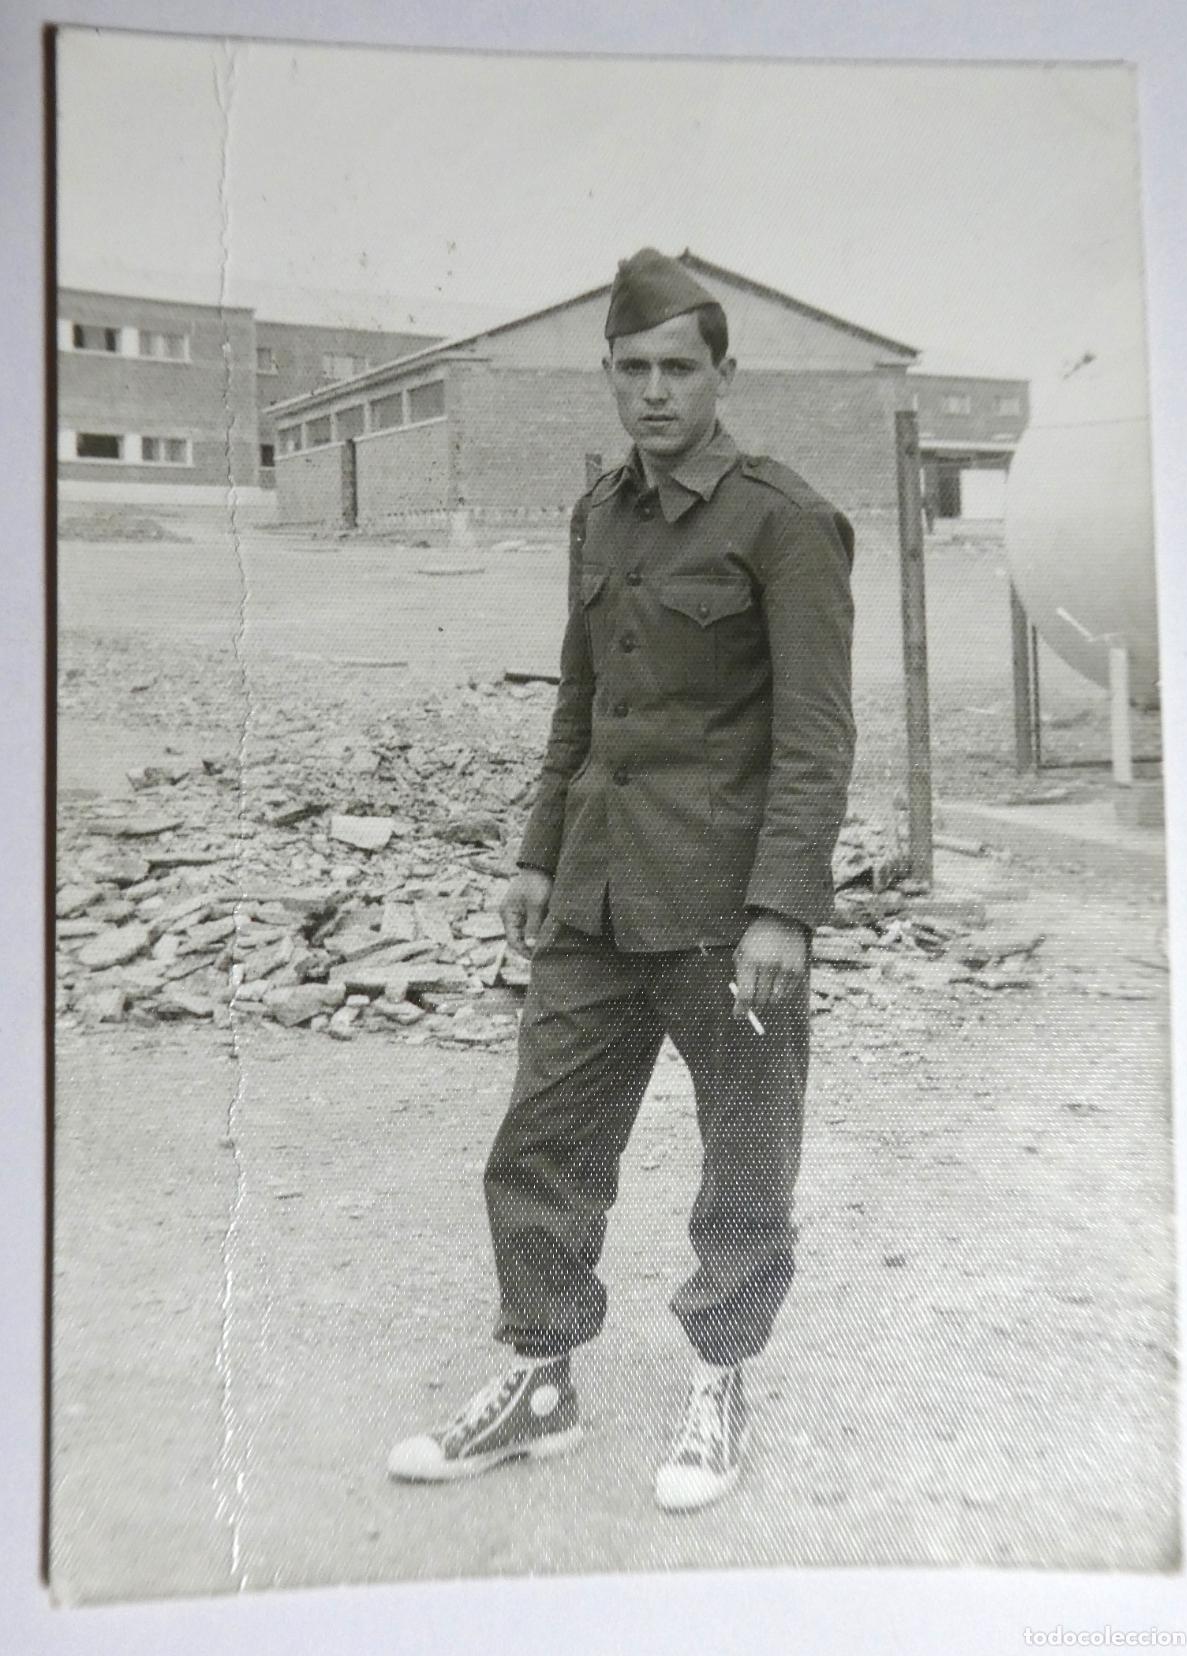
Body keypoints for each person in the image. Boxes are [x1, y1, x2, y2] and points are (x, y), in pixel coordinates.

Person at [388, 248, 855, 1513]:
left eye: (679, 369)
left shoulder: (784, 519)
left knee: (745, 1154)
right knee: (542, 1139)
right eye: (633, 369)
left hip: (725, 912)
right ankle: (542, 1378)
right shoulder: (601, 515)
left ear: (720, 376)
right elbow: (581, 705)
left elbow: (816, 737)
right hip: (596, 895)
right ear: (608, 376)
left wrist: (784, 909)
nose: (655, 393)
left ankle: (719, 1380)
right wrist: (539, 854)